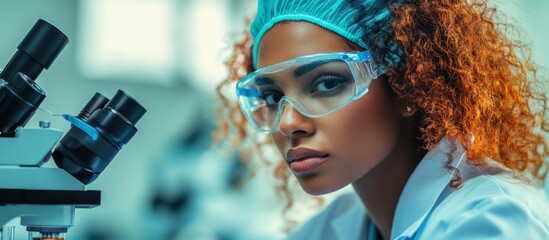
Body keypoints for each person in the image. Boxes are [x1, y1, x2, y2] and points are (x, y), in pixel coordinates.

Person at [215, 0, 549, 239]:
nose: (288, 123)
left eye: (327, 83)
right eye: (273, 97)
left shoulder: (494, 221)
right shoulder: (332, 228)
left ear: (407, 85)